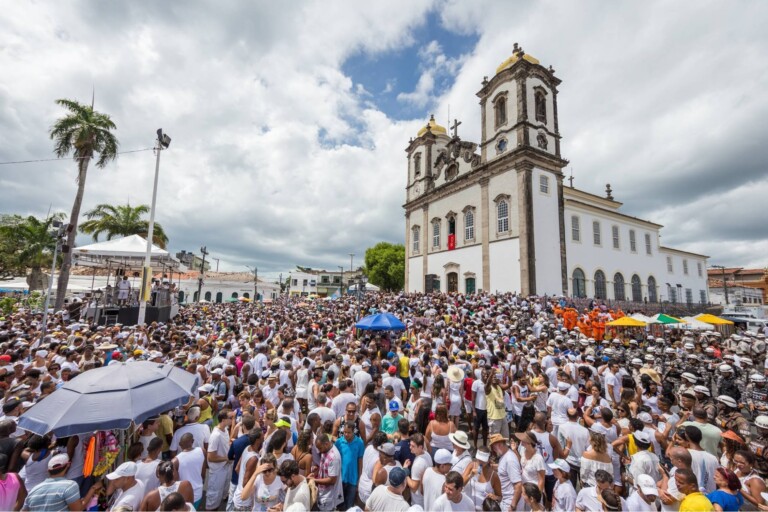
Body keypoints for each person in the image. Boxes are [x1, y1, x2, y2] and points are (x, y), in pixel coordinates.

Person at [22, 453, 102, 512]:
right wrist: (93, 489)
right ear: (68, 465)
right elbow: (78, 510)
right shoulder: (69, 485)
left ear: (48, 470)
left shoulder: (34, 490)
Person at [206, 410, 232, 510]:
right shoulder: (215, 435)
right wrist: (226, 458)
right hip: (217, 471)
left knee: (220, 493)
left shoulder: (225, 429)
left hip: (225, 468)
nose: (232, 420)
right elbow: (210, 457)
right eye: (230, 418)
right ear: (224, 420)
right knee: (213, 497)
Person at [334, 422, 364, 510]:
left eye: (349, 432)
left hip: (353, 480)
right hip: (340, 480)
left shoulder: (360, 443)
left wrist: (359, 478)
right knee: (340, 505)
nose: (346, 434)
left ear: (353, 431)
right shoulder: (339, 442)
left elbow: (360, 461)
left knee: (350, 506)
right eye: (344, 432)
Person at [489, 433, 522, 512]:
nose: (493, 450)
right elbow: (504, 469)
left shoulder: (510, 460)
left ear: (500, 445)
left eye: (494, 447)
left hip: (510, 502)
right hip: (505, 500)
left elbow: (518, 485)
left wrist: (512, 507)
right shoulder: (505, 455)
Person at [172, 433, 205, 510]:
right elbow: (203, 474)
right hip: (198, 492)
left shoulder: (175, 461)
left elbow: (175, 482)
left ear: (180, 444)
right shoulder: (202, 451)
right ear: (192, 441)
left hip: (183, 495)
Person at [312, 433, 343, 511]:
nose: (319, 451)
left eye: (320, 448)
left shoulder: (333, 457)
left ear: (326, 444)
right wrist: (317, 470)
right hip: (322, 493)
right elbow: (324, 467)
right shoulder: (325, 450)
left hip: (329, 497)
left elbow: (332, 480)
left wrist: (314, 480)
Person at [404, 433, 432, 507]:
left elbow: (413, 488)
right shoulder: (427, 454)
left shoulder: (418, 465)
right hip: (424, 498)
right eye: (410, 445)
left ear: (420, 447)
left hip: (418, 502)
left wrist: (405, 471)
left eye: (413, 446)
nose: (410, 447)